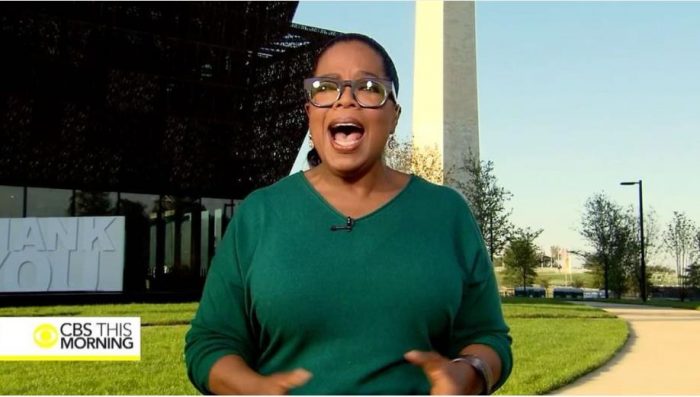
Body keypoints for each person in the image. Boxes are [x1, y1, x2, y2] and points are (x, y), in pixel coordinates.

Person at [185, 33, 512, 395]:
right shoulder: (259, 214)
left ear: (394, 116)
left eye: (369, 87)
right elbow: (210, 343)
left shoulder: (447, 214)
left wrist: (469, 373)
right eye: (326, 87)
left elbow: (489, 338)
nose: (345, 100)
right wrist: (250, 388)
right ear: (310, 113)